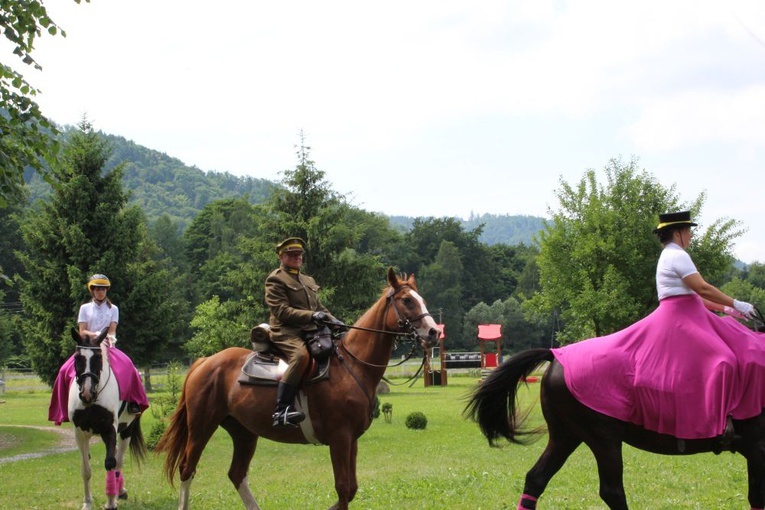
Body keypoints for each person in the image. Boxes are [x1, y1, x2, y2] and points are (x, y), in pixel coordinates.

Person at [551, 211, 765, 448]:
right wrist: (737, 303)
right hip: (679, 318)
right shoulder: (677, 255)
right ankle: (723, 422)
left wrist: (730, 310)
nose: (691, 236)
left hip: (693, 312)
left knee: (737, 344)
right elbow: (703, 289)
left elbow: (696, 297)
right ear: (678, 232)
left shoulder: (673, 254)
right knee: (723, 359)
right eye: (688, 231)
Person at [49, 274, 149, 425]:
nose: (100, 292)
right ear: (92, 291)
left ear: (106, 290)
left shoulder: (114, 309)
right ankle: (64, 408)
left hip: (107, 344)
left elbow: (113, 330)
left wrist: (107, 337)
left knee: (130, 367)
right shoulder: (85, 308)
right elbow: (82, 331)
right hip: (88, 346)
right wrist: (94, 334)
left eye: (103, 289)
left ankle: (133, 403)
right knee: (64, 370)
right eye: (97, 289)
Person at [265, 237, 343, 428]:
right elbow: (281, 311)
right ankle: (281, 410)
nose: (297, 258)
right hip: (285, 331)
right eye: (292, 255)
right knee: (300, 357)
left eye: (299, 255)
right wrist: (312, 315)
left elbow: (319, 307)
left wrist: (334, 321)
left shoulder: (308, 280)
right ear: (281, 257)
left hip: (311, 331)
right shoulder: (275, 279)